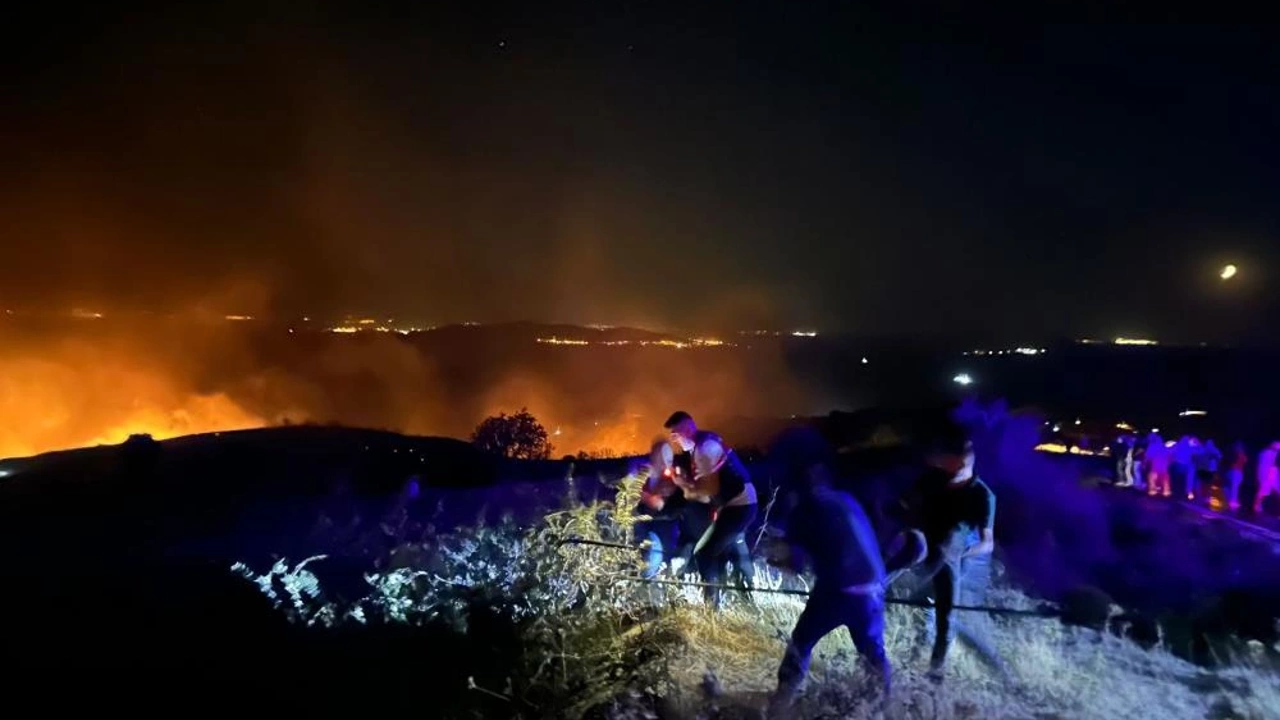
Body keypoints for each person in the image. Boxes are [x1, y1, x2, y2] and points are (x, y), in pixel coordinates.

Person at [764, 428, 890, 715]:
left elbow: (794, 564)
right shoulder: (845, 499)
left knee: (801, 643)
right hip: (873, 590)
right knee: (873, 655)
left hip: (838, 592)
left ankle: (780, 706)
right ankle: (884, 706)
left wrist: (776, 558)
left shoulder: (804, 511)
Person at [888, 425, 1007, 680]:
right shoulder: (935, 478)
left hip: (957, 560)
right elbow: (906, 505)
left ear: (971, 461)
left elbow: (987, 543)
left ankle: (937, 673)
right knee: (929, 609)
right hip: (926, 551)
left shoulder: (983, 495)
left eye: (961, 465)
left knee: (945, 616)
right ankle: (916, 656)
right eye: (952, 463)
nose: (954, 470)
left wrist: (960, 553)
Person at [664, 411, 758, 608]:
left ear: (688, 428)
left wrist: (686, 489)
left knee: (704, 553)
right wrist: (687, 485)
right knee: (726, 549)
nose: (674, 440)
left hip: (739, 505)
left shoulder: (704, 448)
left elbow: (709, 491)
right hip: (738, 504)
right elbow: (709, 490)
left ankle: (713, 608)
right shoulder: (702, 445)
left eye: (676, 434)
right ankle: (744, 599)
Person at [1254, 441, 1280, 515]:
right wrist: (1262, 477)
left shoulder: (1274, 453)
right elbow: (1262, 466)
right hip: (1267, 474)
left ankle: (1257, 506)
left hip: (1273, 473)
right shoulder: (1266, 453)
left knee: (1276, 491)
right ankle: (1256, 506)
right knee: (1263, 492)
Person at [1225, 441, 1247, 512]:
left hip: (1237, 472)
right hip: (1236, 472)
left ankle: (1232, 501)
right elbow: (1236, 464)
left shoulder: (1239, 455)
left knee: (1233, 487)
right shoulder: (1238, 455)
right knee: (1234, 487)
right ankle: (1232, 502)